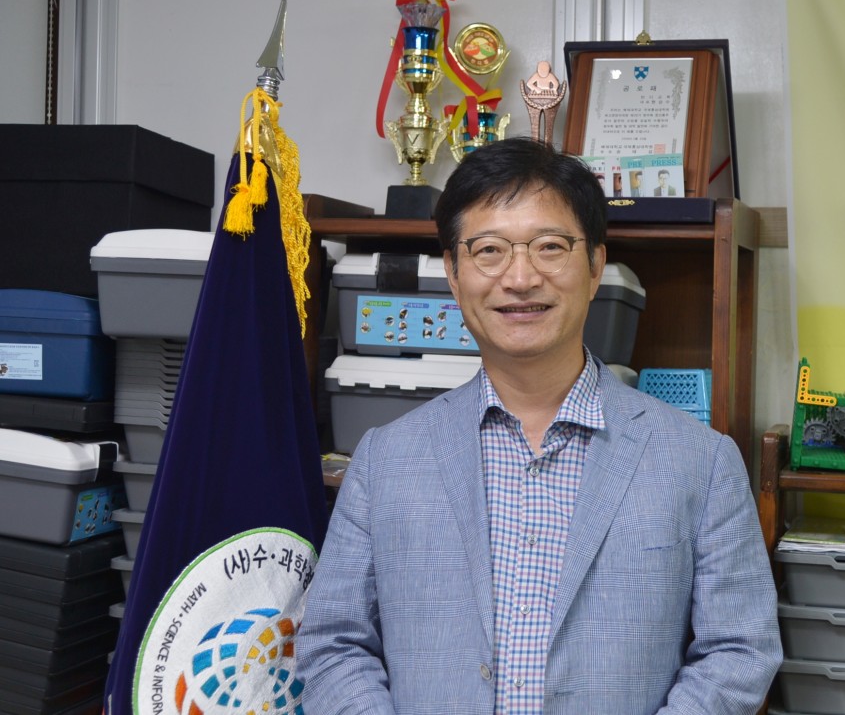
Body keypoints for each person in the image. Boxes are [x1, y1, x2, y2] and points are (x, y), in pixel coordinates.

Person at [297, 137, 782, 714]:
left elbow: (738, 650)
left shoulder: (701, 461)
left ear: (596, 265)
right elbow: (333, 645)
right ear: (453, 272)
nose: (521, 277)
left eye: (550, 246)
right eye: (489, 250)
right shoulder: (384, 460)